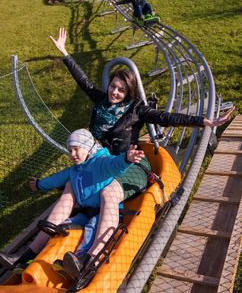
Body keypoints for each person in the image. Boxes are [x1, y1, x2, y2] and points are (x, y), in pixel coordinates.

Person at [45, 28, 235, 278]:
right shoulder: (102, 101)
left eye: (121, 90)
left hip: (130, 165)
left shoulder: (136, 110)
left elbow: (166, 117)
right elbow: (84, 82)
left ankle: (91, 260)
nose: (114, 93)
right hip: (102, 164)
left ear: (129, 93)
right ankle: (42, 249)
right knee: (74, 187)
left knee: (108, 192)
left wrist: (204, 122)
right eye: (113, 86)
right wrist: (64, 53)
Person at [0, 129, 144, 274]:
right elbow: (55, 179)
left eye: (76, 149)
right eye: (70, 150)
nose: (72, 154)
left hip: (102, 214)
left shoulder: (100, 163)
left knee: (91, 230)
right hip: (85, 213)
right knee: (62, 227)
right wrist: (39, 184)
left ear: (88, 148)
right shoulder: (74, 170)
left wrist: (126, 158)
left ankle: (83, 260)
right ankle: (27, 258)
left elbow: (114, 164)